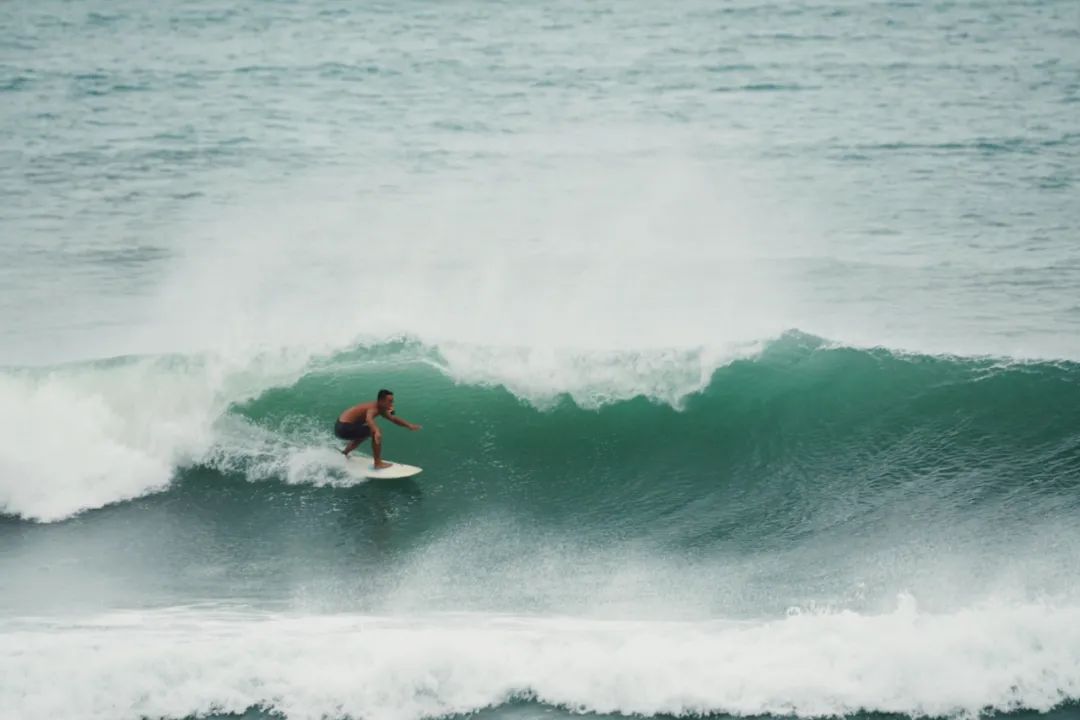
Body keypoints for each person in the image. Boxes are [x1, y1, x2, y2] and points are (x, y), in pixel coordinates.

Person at [335, 389, 421, 468]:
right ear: (381, 401)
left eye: (392, 401)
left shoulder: (381, 408)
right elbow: (368, 418)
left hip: (341, 426)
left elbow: (393, 419)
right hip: (344, 428)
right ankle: (378, 463)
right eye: (389, 401)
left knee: (362, 435)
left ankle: (345, 453)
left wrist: (409, 425)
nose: (392, 404)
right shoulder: (374, 408)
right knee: (374, 431)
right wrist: (376, 431)